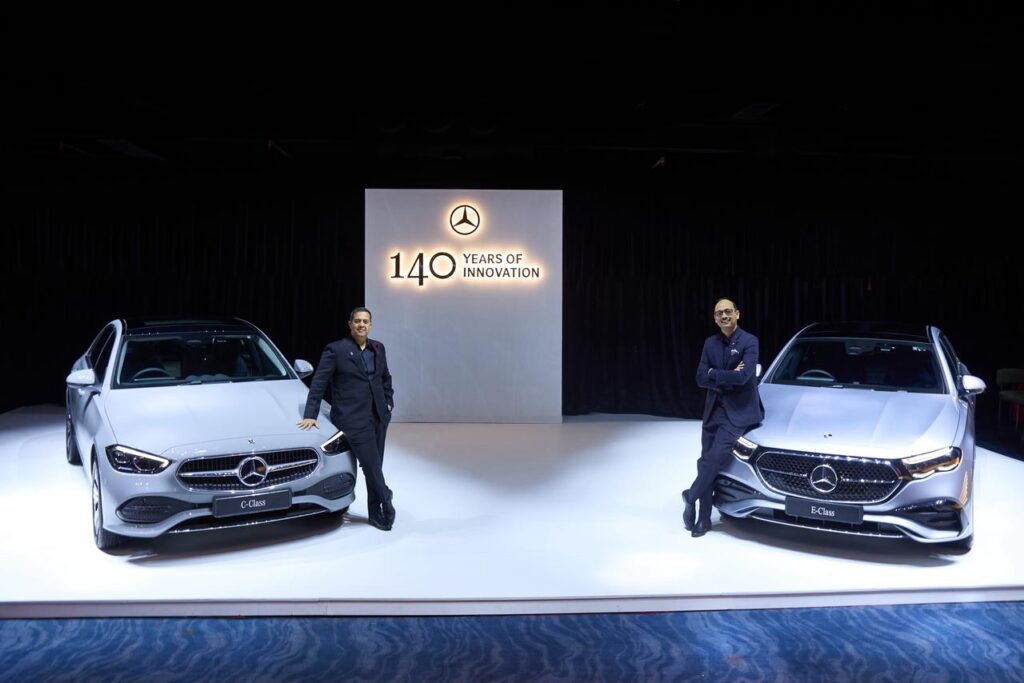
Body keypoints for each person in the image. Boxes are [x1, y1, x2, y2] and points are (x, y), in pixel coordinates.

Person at [298, 307, 396, 530]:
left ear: (371, 325)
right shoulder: (336, 350)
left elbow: (385, 378)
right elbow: (319, 382)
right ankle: (386, 499)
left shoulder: (378, 348)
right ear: (350, 324)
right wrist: (310, 414)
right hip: (352, 418)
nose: (361, 325)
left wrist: (389, 402)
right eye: (357, 321)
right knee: (371, 465)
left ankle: (375, 514)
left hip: (378, 415)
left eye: (365, 321)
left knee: (374, 465)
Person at [683, 298, 764, 537]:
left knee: (712, 460)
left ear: (737, 314)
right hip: (713, 410)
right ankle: (704, 519)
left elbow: (744, 377)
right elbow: (700, 378)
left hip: (739, 412)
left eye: (728, 311)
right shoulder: (710, 343)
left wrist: (714, 374)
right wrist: (726, 375)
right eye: (719, 313)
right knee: (705, 460)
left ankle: (690, 496)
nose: (724, 316)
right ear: (715, 318)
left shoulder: (749, 341)